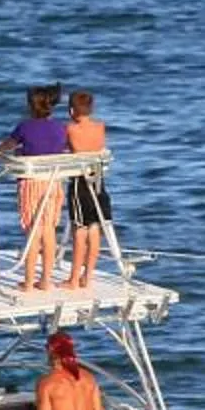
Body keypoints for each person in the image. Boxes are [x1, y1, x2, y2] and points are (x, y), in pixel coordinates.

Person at [0, 84, 70, 293]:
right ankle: (45, 280)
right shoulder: (60, 128)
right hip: (53, 183)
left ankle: (28, 282)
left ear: (31, 106)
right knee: (48, 232)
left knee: (33, 233)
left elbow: (5, 147)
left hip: (31, 184)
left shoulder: (24, 127)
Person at [63, 88, 112, 292]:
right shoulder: (100, 127)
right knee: (94, 229)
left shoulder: (70, 129)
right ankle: (87, 276)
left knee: (79, 231)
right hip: (99, 181)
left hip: (80, 182)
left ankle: (74, 279)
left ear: (72, 111)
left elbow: (65, 148)